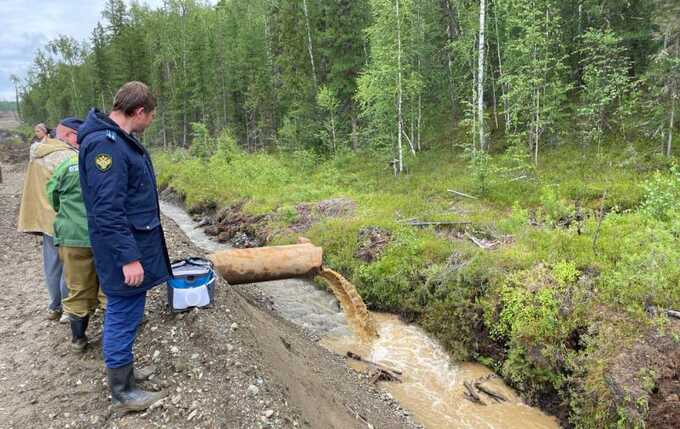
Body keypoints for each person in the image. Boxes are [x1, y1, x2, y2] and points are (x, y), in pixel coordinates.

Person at [78, 81, 171, 411]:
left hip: (130, 244)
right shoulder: (108, 146)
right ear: (140, 111)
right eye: (152, 115)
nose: (151, 121)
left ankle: (127, 375)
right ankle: (122, 393)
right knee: (121, 312)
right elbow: (108, 209)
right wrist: (129, 258)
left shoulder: (116, 140)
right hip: (123, 251)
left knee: (129, 312)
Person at [47, 117, 106, 352]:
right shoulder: (103, 160)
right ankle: (114, 339)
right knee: (109, 287)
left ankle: (79, 340)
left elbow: (53, 197)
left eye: (64, 137)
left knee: (77, 287)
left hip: (72, 237)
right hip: (103, 234)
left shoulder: (66, 165)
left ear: (74, 136)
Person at [18, 125, 74, 322]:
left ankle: (54, 306)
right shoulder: (65, 156)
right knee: (69, 264)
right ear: (68, 135)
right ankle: (68, 308)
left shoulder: (38, 153)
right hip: (64, 217)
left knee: (51, 264)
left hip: (43, 217)